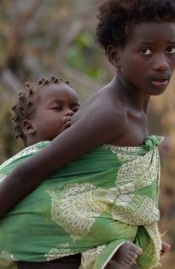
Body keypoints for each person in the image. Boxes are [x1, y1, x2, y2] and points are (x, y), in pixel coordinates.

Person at [0, 0, 175, 269]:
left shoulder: (130, 109)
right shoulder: (113, 113)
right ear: (115, 55)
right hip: (47, 250)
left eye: (171, 49)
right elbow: (32, 171)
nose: (162, 63)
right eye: (147, 51)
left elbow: (102, 193)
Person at [0, 75, 145, 269]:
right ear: (29, 126)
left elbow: (114, 198)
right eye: (57, 108)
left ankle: (111, 251)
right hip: (34, 250)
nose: (69, 113)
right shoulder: (24, 165)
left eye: (75, 109)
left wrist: (145, 230)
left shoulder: (88, 161)